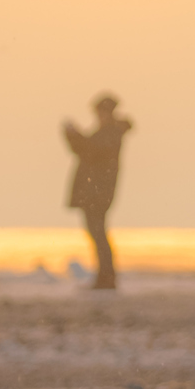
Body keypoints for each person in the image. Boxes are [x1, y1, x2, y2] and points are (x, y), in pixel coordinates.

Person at [63, 93, 132, 291]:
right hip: (94, 192)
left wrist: (74, 135)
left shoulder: (110, 134)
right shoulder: (106, 132)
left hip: (98, 193)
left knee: (98, 234)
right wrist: (73, 136)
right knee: (97, 234)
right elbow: (86, 150)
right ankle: (104, 277)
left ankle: (107, 278)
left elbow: (90, 151)